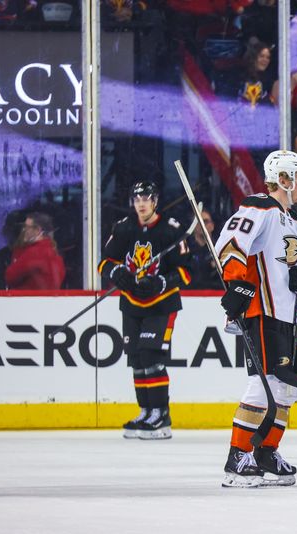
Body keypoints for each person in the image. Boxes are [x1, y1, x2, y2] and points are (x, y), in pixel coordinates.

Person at [215, 150, 297, 488]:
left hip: (289, 317)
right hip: (263, 313)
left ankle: (265, 452)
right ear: (282, 180)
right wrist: (239, 284)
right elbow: (229, 245)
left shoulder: (296, 220)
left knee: (286, 390)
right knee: (263, 386)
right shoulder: (261, 207)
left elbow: (291, 267)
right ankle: (237, 457)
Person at [97, 181, 192, 440]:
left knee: (152, 357)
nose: (141, 203)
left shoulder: (171, 230)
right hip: (131, 303)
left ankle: (161, 416)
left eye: (146, 198)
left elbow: (186, 271)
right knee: (137, 359)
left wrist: (162, 281)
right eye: (137, 197)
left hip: (161, 304)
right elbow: (104, 262)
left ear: (155, 201)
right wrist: (116, 273)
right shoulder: (123, 228)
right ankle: (145, 410)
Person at [4, 212, 65, 290]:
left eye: (26, 227)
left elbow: (10, 276)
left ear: (37, 230)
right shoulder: (54, 252)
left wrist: (18, 252)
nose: (24, 230)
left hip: (27, 300)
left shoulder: (35, 253)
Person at [187, 209, 223, 290]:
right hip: (191, 294)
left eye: (205, 221)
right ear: (193, 226)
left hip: (216, 293)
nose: (202, 224)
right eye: (198, 221)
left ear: (212, 225)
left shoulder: (219, 249)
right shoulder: (187, 250)